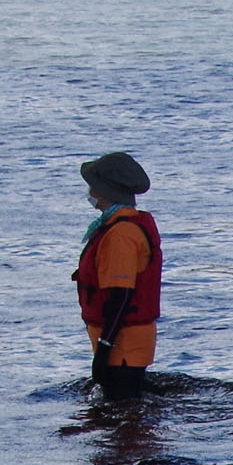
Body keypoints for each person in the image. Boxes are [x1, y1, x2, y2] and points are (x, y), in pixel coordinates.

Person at [75, 152, 162, 404]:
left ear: (103, 191)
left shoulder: (121, 234)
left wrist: (104, 348)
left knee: (123, 419)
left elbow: (120, 296)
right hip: (127, 346)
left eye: (92, 184)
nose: (89, 190)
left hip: (122, 348)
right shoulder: (120, 224)